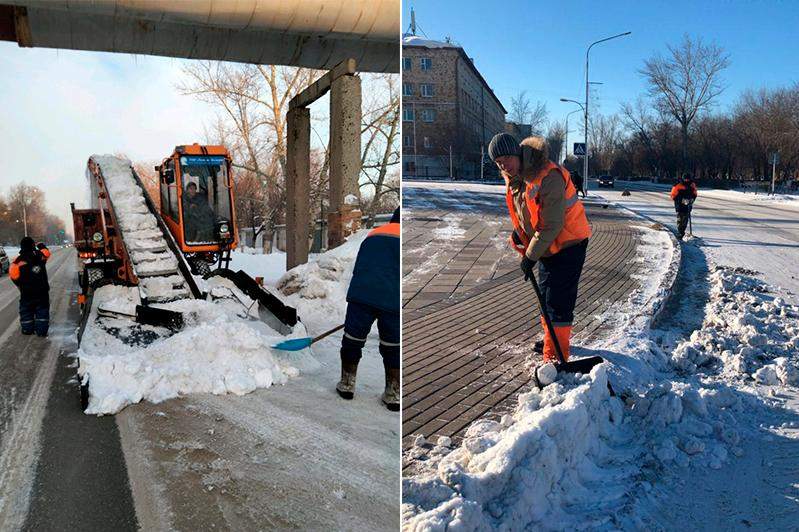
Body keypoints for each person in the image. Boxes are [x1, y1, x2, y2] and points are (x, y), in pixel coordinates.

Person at [488, 132, 592, 363]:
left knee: (558, 301)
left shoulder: (548, 175)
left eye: (506, 158)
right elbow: (528, 213)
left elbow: (552, 224)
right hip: (547, 246)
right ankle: (551, 340)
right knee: (545, 297)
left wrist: (530, 256)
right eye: (498, 162)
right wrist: (520, 234)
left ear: (517, 153)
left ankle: (555, 356)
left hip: (569, 244)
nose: (503, 165)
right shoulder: (516, 178)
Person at [336, 207, 400, 411]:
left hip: (361, 294)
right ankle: (393, 393)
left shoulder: (374, 234)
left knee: (353, 339)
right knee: (393, 346)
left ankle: (347, 384)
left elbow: (360, 265)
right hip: (391, 300)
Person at [9, 237, 51, 337]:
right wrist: (41, 245)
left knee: (26, 311)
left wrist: (20, 285)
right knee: (42, 310)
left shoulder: (18, 261)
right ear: (33, 245)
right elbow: (46, 253)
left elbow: (13, 275)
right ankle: (41, 331)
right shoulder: (40, 256)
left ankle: (27, 329)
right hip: (42, 291)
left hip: (26, 293)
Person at [670, 173, 698, 240]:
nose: (686, 180)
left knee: (685, 220)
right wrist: (682, 200)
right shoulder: (678, 185)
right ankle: (680, 232)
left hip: (688, 205)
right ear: (683, 179)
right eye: (685, 179)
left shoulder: (692, 185)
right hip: (679, 205)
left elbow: (695, 193)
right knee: (680, 219)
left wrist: (692, 199)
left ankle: (682, 232)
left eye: (688, 179)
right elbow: (673, 195)